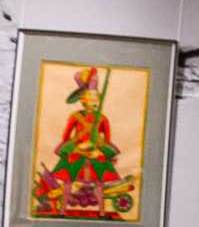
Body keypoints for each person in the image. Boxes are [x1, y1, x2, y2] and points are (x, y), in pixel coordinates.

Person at [35, 67, 132, 218]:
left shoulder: (103, 119)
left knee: (99, 184)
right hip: (77, 152)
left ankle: (101, 212)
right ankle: (62, 211)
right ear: (82, 99)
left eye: (95, 97)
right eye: (89, 97)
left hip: (95, 153)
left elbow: (107, 141)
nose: (93, 100)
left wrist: (98, 151)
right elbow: (65, 139)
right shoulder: (75, 117)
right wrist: (77, 149)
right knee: (67, 183)